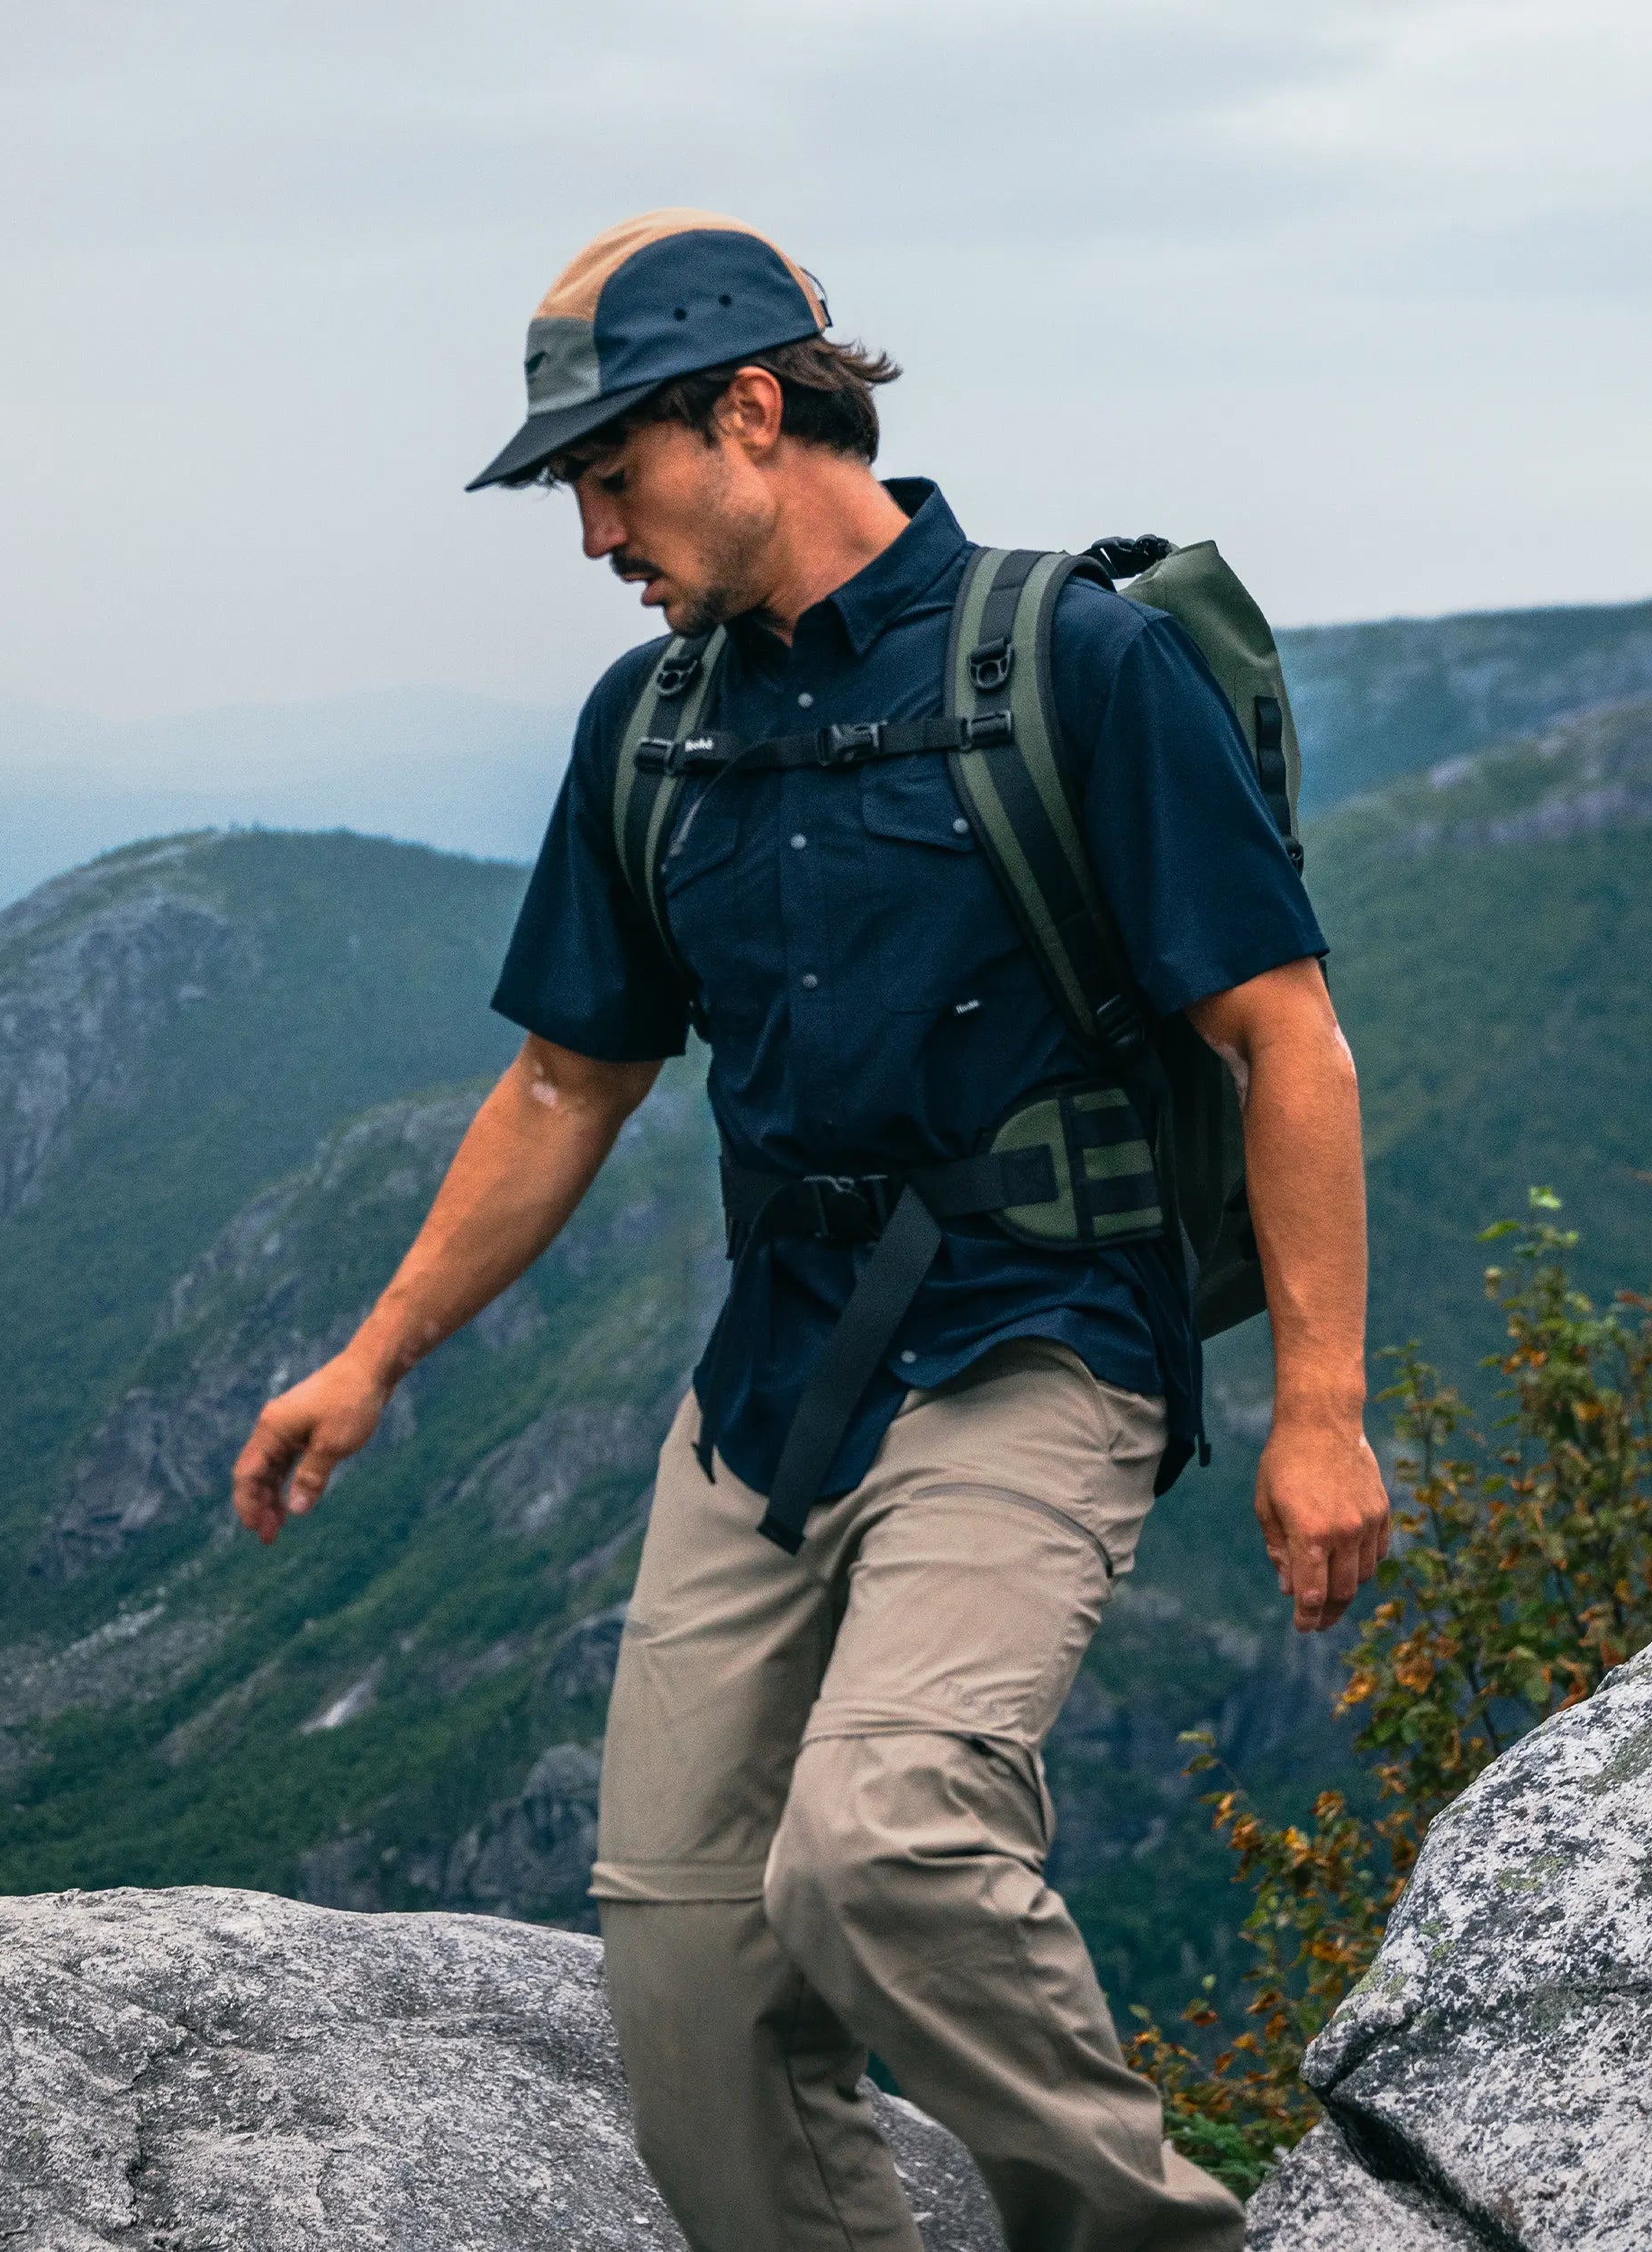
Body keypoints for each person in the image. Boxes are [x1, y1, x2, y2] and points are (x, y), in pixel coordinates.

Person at [232, 208, 1392, 2252]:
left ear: (750, 413)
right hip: (771, 1379)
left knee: (880, 1850)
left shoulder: (1075, 663)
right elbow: (560, 1087)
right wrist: (372, 1352)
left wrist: (1320, 1402)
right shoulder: (652, 725)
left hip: (1040, 1337)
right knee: (680, 1968)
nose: (593, 533)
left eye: (611, 475)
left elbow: (1282, 1035)